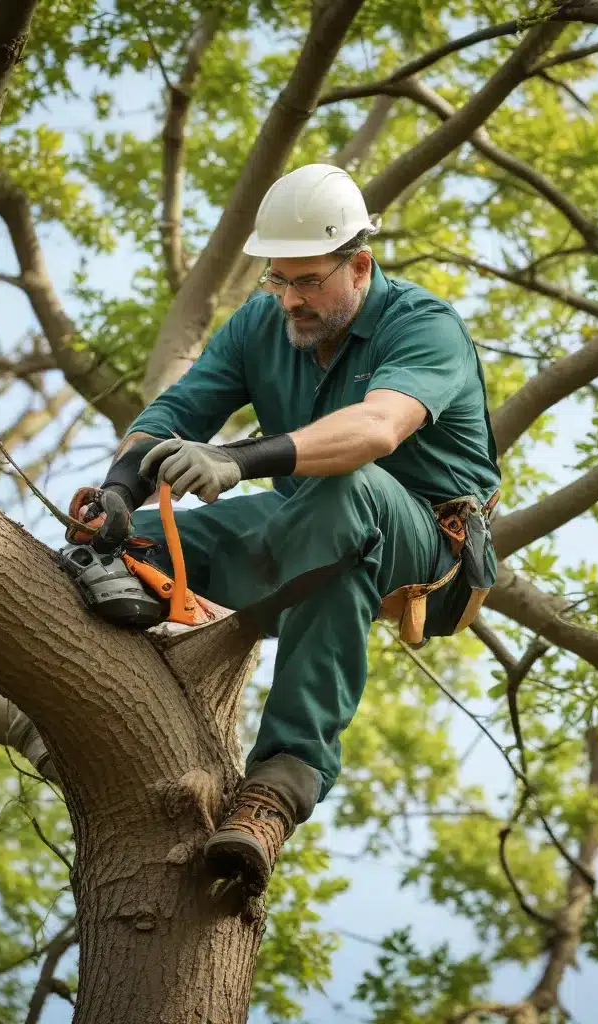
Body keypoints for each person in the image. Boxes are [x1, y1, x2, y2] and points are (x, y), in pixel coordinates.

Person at [67, 163, 501, 893]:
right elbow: (175, 414)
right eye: (278, 280)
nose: (290, 299)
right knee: (110, 548)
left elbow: (376, 430)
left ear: (359, 265)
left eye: (307, 282)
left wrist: (235, 459)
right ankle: (115, 704)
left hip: (424, 542)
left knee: (346, 497)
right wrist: (117, 491)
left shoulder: (424, 326)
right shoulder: (264, 322)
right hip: (303, 522)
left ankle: (280, 784)